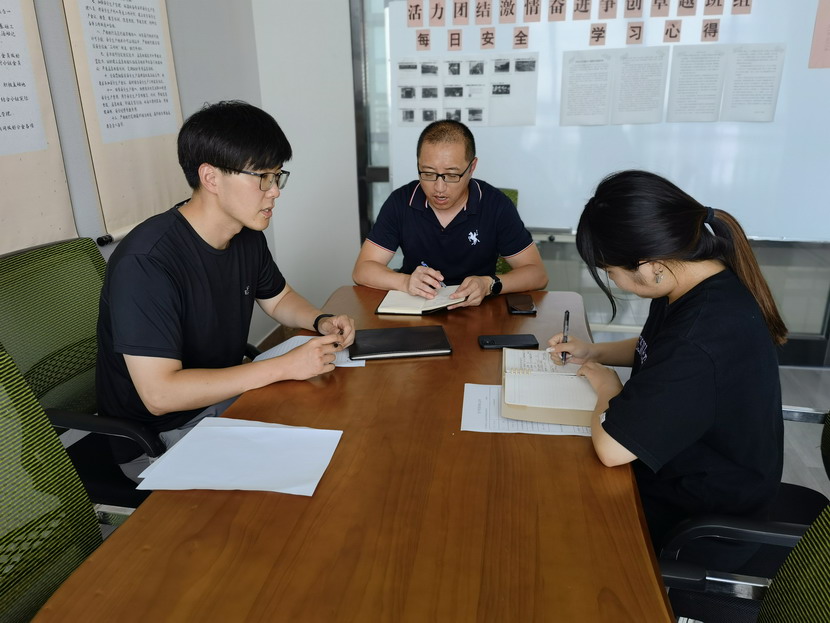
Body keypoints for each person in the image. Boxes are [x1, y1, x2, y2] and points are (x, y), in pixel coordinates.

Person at [96, 100, 356, 468]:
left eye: (277, 176)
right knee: (320, 465)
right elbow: (160, 395)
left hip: (223, 401)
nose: (275, 191)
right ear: (211, 178)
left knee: (341, 428)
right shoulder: (147, 262)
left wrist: (320, 320)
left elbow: (278, 297)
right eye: (262, 177)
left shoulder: (245, 234)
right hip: (160, 438)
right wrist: (284, 367)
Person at [547, 170, 786, 567]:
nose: (614, 281)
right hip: (679, 474)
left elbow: (611, 449)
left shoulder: (703, 333)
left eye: (611, 273)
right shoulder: (687, 279)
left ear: (648, 265)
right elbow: (659, 350)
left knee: (554, 517)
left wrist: (608, 388)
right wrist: (593, 351)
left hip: (700, 525)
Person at [352, 120, 547, 307]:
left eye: (452, 175)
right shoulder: (401, 201)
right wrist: (405, 282)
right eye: (428, 173)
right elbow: (362, 270)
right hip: (417, 306)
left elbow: (537, 274)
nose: (439, 188)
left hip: (478, 310)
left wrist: (489, 284)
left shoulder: (495, 205)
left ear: (472, 167)